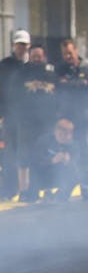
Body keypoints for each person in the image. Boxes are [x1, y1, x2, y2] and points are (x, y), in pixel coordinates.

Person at [11, 44, 59, 202]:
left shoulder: (51, 73)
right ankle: (24, 190)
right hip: (26, 121)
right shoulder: (21, 73)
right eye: (34, 56)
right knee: (24, 156)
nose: (37, 59)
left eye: (39, 56)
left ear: (44, 57)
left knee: (46, 155)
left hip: (46, 121)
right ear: (29, 57)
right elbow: (14, 95)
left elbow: (58, 95)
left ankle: (47, 188)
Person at [0, 29, 30, 200]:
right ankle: (10, 189)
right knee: (11, 153)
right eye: (19, 44)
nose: (22, 48)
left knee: (28, 151)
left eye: (24, 45)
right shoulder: (4, 65)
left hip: (29, 117)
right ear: (14, 45)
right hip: (11, 115)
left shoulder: (31, 65)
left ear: (28, 46)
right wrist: (2, 113)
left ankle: (27, 188)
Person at [56, 38, 88, 198]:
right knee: (70, 154)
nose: (67, 56)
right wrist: (79, 84)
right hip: (68, 121)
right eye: (64, 54)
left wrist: (69, 84)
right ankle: (66, 187)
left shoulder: (86, 66)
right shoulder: (61, 69)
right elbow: (58, 86)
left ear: (76, 50)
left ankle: (85, 187)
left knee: (84, 153)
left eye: (69, 53)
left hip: (85, 118)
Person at [29, 117, 80, 202]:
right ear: (56, 132)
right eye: (63, 134)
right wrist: (51, 160)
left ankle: (60, 196)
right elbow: (34, 160)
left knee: (76, 173)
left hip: (61, 177)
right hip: (44, 175)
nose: (66, 137)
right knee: (33, 169)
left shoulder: (73, 145)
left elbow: (78, 164)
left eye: (69, 134)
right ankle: (32, 195)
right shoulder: (44, 141)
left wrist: (69, 161)